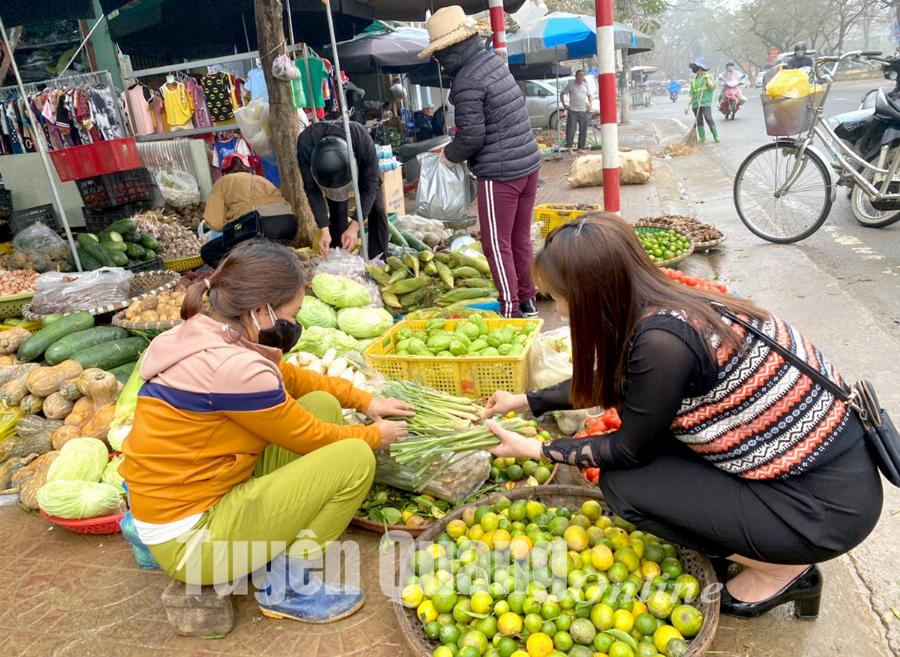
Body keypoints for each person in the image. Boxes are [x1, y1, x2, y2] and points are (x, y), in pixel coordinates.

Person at [482, 214, 883, 620]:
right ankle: (761, 545)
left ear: (590, 295)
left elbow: (626, 451)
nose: (560, 309)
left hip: (825, 506)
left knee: (626, 485)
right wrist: (527, 401)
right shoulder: (665, 305)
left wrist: (537, 448)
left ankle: (783, 569)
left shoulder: (663, 340)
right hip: (815, 475)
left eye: (559, 297)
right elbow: (623, 381)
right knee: (655, 457)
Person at [120, 239, 413, 623]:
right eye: (290, 316)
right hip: (193, 543)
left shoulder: (208, 332)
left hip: (199, 501)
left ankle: (269, 553)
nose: (292, 327)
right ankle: (285, 587)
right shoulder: (234, 369)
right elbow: (309, 436)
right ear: (259, 311)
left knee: (322, 405)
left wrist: (365, 402)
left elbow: (291, 377)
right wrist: (376, 436)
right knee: (356, 458)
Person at [419, 5, 542, 318]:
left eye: (439, 55)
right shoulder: (492, 62)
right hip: (527, 164)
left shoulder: (467, 80)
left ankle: (510, 310)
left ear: (450, 50)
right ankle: (527, 301)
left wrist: (447, 155)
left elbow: (472, 137)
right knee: (518, 239)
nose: (439, 62)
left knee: (495, 246)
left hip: (500, 173)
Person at [297, 120, 389, 259]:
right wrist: (324, 230)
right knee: (337, 215)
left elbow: (370, 185)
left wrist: (355, 226)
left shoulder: (360, 137)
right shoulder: (305, 144)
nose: (340, 191)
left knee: (377, 209)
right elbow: (311, 189)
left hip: (365, 175)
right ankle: (340, 258)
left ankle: (379, 258)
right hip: (328, 177)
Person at [200, 153, 299, 268]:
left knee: (209, 251)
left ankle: (245, 278)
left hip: (260, 226)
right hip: (289, 225)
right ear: (248, 169)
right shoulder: (260, 179)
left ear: (224, 172)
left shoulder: (223, 181)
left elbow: (214, 223)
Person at [687, 59, 719, 144]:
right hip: (695, 103)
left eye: (698, 68)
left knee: (708, 118)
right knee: (699, 120)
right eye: (696, 68)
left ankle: (716, 136)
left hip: (705, 102)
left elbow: (712, 88)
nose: (697, 70)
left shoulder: (709, 76)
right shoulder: (694, 80)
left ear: (702, 68)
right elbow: (691, 93)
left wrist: (707, 79)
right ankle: (702, 138)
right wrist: (687, 105)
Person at [561, 69, 592, 150]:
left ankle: (581, 148)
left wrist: (590, 104)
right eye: (579, 75)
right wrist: (564, 105)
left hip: (583, 111)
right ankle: (569, 147)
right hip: (573, 111)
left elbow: (589, 95)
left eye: (582, 75)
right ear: (576, 77)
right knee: (571, 130)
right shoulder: (571, 85)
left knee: (583, 130)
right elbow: (562, 93)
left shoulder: (585, 85)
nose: (581, 77)